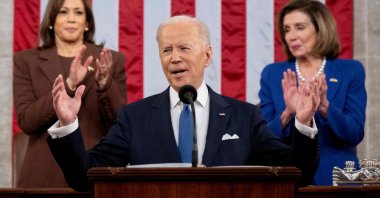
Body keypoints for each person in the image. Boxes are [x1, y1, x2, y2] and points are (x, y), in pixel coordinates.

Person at [47, 15, 320, 192]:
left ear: (208, 55)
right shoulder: (135, 117)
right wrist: (68, 124)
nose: (174, 58)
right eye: (167, 50)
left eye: (184, 48)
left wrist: (304, 123)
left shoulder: (244, 117)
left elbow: (298, 173)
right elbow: (85, 177)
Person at [13, 0, 126, 188]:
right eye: (64, 12)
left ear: (87, 22)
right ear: (51, 20)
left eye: (78, 13)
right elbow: (27, 121)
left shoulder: (111, 60)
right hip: (43, 174)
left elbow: (120, 124)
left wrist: (105, 85)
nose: (71, 19)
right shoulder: (27, 61)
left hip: (94, 171)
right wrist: (69, 84)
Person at [259, 0, 367, 185]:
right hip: (287, 178)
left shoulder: (351, 71)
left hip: (337, 178)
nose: (291, 36)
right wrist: (287, 113)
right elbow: (262, 138)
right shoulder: (273, 74)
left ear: (320, 29)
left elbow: (355, 133)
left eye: (299, 27)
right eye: (286, 29)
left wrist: (325, 106)